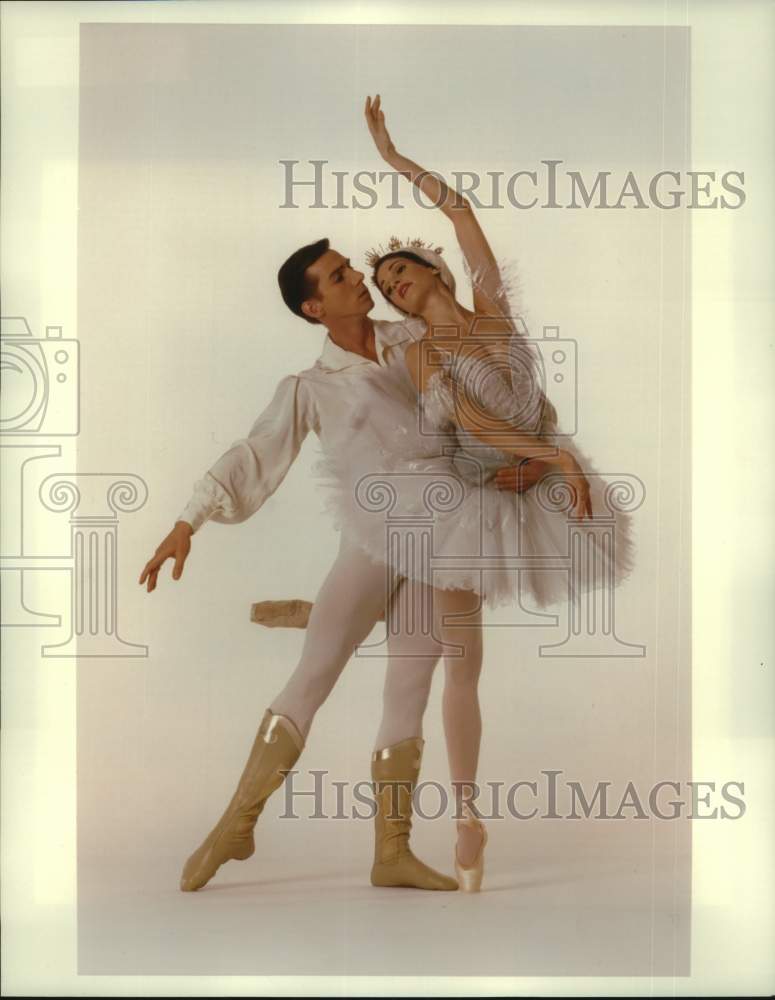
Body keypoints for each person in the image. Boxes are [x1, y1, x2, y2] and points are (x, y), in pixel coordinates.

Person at [138, 228, 546, 893]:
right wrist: (189, 521)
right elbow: (253, 451)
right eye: (336, 279)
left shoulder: (415, 341)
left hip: (440, 536)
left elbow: (479, 409)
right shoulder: (309, 386)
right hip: (376, 536)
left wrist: (524, 463)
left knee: (409, 683)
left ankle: (392, 852)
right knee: (315, 674)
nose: (357, 280)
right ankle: (233, 826)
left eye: (349, 273)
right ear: (312, 310)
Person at [315, 96, 637, 890]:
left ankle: (459, 812)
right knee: (463, 662)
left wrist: (393, 159)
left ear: (435, 272)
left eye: (400, 271)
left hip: (533, 473)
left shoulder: (492, 306)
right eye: (384, 285)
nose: (391, 286)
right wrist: (552, 460)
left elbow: (457, 210)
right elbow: (469, 424)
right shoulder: (421, 353)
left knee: (467, 663)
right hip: (469, 497)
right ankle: (466, 816)